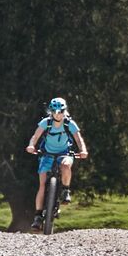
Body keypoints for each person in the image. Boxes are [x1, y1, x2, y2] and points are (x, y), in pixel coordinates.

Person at [26, 97, 86, 228]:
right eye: (55, 111)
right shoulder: (45, 123)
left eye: (60, 111)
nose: (58, 114)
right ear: (51, 112)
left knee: (65, 165)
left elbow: (78, 138)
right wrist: (31, 145)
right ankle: (37, 216)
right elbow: (35, 136)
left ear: (65, 111)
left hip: (64, 153)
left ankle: (65, 190)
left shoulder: (70, 124)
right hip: (47, 154)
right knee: (42, 184)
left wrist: (83, 150)